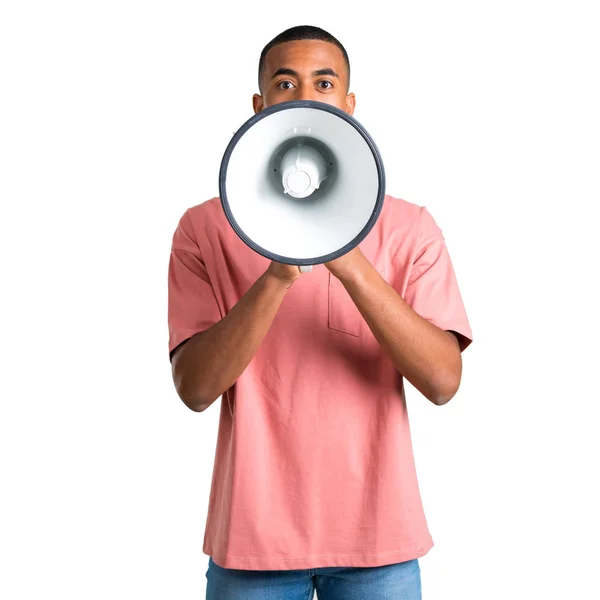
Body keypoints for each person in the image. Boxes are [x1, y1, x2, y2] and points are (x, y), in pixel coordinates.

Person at [167, 24, 473, 600]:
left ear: (350, 106)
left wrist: (349, 260)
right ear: (259, 107)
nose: (305, 97)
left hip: (379, 543)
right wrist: (279, 273)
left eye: (324, 83)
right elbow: (196, 388)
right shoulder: (203, 227)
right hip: (251, 544)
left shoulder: (411, 228)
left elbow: (442, 381)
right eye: (285, 83)